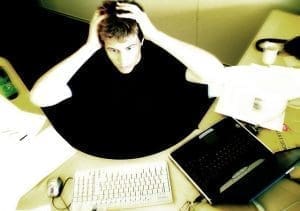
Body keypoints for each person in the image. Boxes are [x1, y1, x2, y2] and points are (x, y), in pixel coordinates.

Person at [30, 0, 223, 158]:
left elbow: (215, 73)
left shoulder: (160, 56)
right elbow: (40, 97)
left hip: (167, 150)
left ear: (141, 40)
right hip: (103, 155)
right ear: (102, 44)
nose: (123, 60)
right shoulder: (90, 62)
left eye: (129, 47)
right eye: (113, 49)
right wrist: (89, 47)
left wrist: (155, 35)